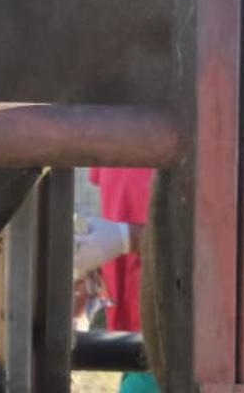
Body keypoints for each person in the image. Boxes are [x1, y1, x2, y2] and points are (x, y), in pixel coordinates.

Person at [75, 167, 157, 393]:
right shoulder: (111, 135)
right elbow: (118, 207)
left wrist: (126, 238)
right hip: (130, 329)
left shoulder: (207, 137)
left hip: (178, 328)